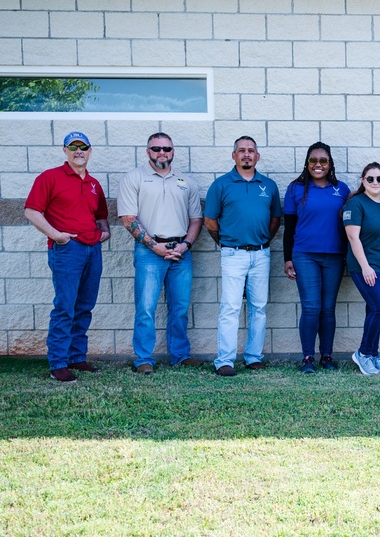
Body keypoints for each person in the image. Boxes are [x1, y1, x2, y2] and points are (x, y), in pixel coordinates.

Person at [24, 131, 111, 382]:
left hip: (92, 249)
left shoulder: (94, 183)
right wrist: (57, 235)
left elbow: (101, 214)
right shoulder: (50, 177)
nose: (78, 151)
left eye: (83, 146)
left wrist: (104, 232)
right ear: (65, 151)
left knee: (85, 306)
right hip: (67, 249)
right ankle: (59, 363)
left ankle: (76, 356)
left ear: (90, 151)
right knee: (65, 306)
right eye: (73, 146)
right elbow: (31, 211)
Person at [118, 132, 203, 375]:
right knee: (146, 307)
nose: (162, 153)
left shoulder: (186, 182)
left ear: (173, 151)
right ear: (148, 152)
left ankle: (180, 355)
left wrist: (185, 245)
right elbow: (128, 218)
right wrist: (153, 245)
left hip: (181, 252)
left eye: (166, 148)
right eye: (156, 149)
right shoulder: (134, 178)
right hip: (149, 252)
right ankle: (143, 358)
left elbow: (195, 219)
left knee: (180, 307)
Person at [204, 136, 281, 377]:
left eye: (251, 151)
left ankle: (253, 357)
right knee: (230, 307)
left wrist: (262, 241)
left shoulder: (268, 185)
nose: (246, 154)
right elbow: (210, 221)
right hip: (233, 254)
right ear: (234, 155)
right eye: (241, 150)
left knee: (258, 307)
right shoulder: (221, 185)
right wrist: (227, 242)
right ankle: (225, 360)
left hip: (261, 254)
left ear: (257, 156)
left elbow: (275, 219)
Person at [283, 142, 350, 374]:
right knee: (311, 307)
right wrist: (287, 258)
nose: (318, 165)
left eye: (323, 161)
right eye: (313, 160)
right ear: (307, 163)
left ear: (330, 164)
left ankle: (327, 356)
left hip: (334, 255)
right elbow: (289, 227)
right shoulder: (295, 188)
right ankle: (308, 357)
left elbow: (350, 225)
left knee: (328, 308)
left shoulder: (341, 189)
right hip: (304, 255)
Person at [344, 162, 380, 376]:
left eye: (379, 179)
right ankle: (363, 353)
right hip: (366, 266)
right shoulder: (356, 204)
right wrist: (366, 267)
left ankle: (373, 355)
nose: (375, 182)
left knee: (374, 309)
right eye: (370, 178)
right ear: (363, 180)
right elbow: (352, 237)